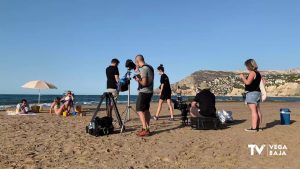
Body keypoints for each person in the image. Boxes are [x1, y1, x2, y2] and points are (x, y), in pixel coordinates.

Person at [240, 59, 262, 132]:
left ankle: (254, 128)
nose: (246, 67)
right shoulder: (258, 73)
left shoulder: (252, 73)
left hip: (252, 93)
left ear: (249, 65)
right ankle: (257, 127)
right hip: (257, 93)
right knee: (257, 110)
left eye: (246, 66)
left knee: (253, 111)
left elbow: (248, 83)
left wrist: (242, 77)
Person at [134, 54, 154, 137]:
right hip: (149, 91)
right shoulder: (149, 67)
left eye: (136, 63)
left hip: (144, 92)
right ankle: (147, 128)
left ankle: (145, 128)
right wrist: (138, 71)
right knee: (146, 110)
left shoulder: (144, 69)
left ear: (137, 61)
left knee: (139, 109)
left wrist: (138, 80)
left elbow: (144, 83)